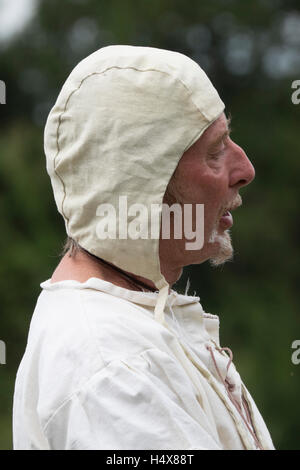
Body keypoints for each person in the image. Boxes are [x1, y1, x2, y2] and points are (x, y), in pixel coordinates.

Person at [13, 45, 274, 450]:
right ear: (142, 185)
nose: (244, 170)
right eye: (215, 151)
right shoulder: (114, 371)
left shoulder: (134, 322)